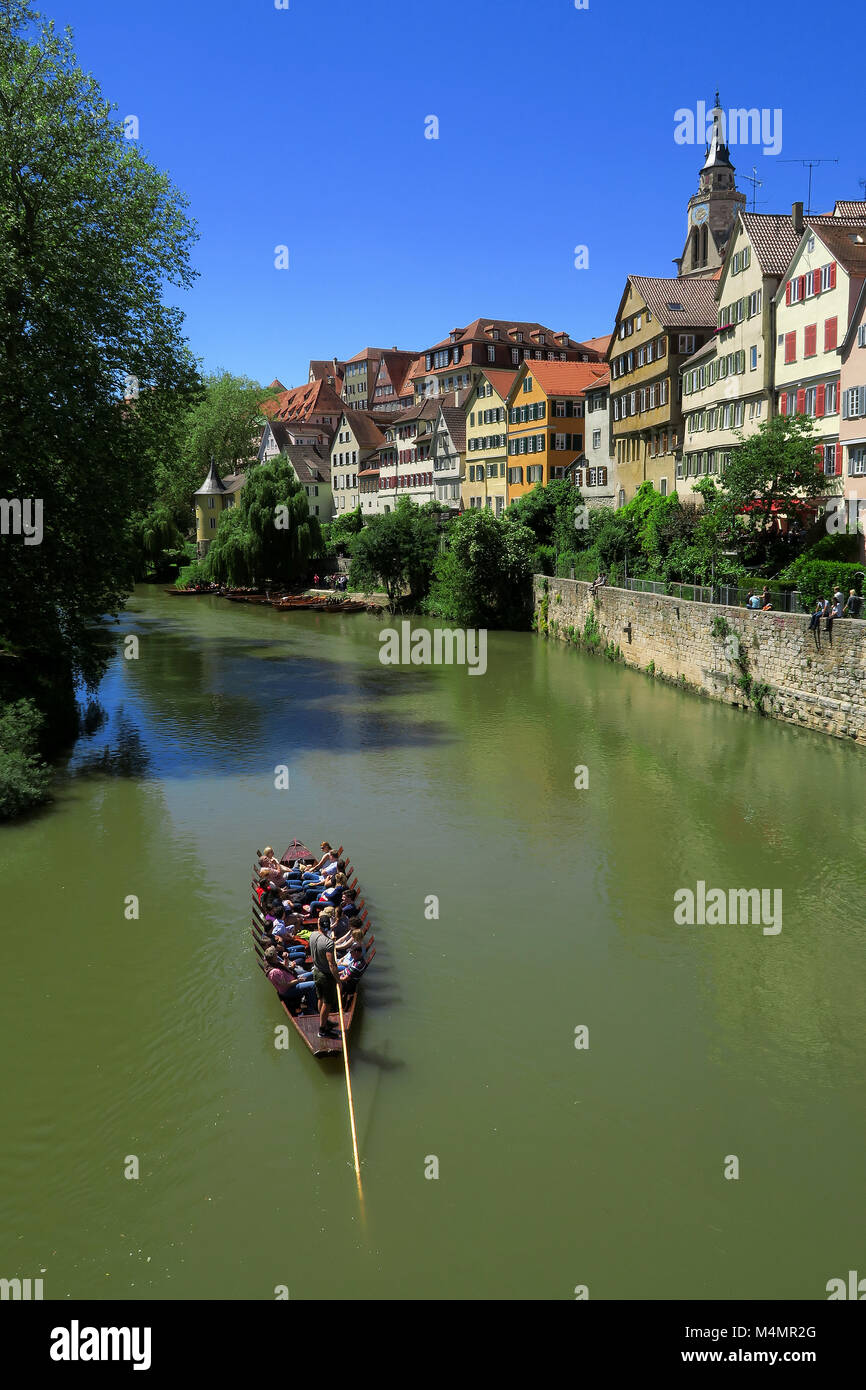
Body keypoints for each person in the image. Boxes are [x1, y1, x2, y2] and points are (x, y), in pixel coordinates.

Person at [309, 920, 342, 1038]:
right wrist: (338, 981)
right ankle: (322, 1030)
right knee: (327, 1003)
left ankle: (325, 1021)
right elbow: (332, 965)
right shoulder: (328, 943)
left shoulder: (312, 935)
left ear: (319, 925)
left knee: (321, 998)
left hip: (316, 971)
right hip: (326, 976)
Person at [264, 946, 317, 1013]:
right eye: (275, 953)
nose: (277, 953)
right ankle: (311, 1008)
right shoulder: (274, 972)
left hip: (293, 980)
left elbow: (285, 966)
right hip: (289, 990)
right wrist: (298, 981)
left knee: (311, 974)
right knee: (313, 985)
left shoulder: (275, 963)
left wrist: (285, 958)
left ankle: (310, 995)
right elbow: (285, 985)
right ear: (273, 957)